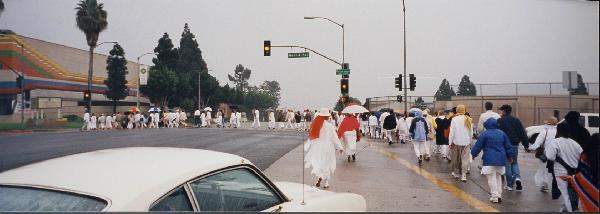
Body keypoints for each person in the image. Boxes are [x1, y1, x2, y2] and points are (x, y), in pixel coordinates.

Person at [471, 118, 515, 203]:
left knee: (491, 178)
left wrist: (473, 155)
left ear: (486, 125)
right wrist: (510, 156)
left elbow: (478, 146)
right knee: (498, 177)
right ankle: (499, 195)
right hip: (501, 159)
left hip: (489, 160)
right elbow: (508, 146)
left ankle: (494, 196)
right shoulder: (502, 133)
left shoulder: (484, 134)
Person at [545, 123, 583, 212]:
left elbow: (550, 156)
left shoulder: (555, 142)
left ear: (558, 130)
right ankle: (564, 209)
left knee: (566, 194)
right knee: (572, 193)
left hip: (561, 172)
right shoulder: (575, 143)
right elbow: (582, 156)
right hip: (574, 172)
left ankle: (571, 210)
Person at [304, 108, 344, 189]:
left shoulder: (316, 125)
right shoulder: (330, 126)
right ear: (327, 116)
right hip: (328, 147)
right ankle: (326, 182)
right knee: (327, 163)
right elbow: (334, 138)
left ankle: (319, 177)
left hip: (319, 146)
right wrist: (340, 147)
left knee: (320, 162)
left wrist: (310, 145)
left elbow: (313, 137)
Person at [497, 104, 529, 191]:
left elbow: (498, 134)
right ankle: (517, 178)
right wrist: (526, 145)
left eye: (501, 110)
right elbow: (522, 133)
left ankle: (510, 185)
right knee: (514, 163)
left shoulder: (500, 121)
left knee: (507, 164)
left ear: (504, 111)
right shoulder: (516, 120)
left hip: (504, 146)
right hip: (515, 145)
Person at [529, 117, 558, 192]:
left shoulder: (545, 131)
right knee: (554, 170)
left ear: (547, 124)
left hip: (545, 154)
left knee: (544, 169)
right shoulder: (559, 132)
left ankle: (545, 185)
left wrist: (531, 148)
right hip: (556, 154)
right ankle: (555, 184)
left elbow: (538, 143)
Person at [449, 105, 473, 182]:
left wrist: (450, 142)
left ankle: (456, 173)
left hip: (456, 142)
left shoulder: (454, 119)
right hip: (466, 142)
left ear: (457, 110)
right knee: (465, 159)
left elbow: (452, 132)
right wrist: (470, 141)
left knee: (456, 158)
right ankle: (464, 175)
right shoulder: (469, 119)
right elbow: (471, 132)